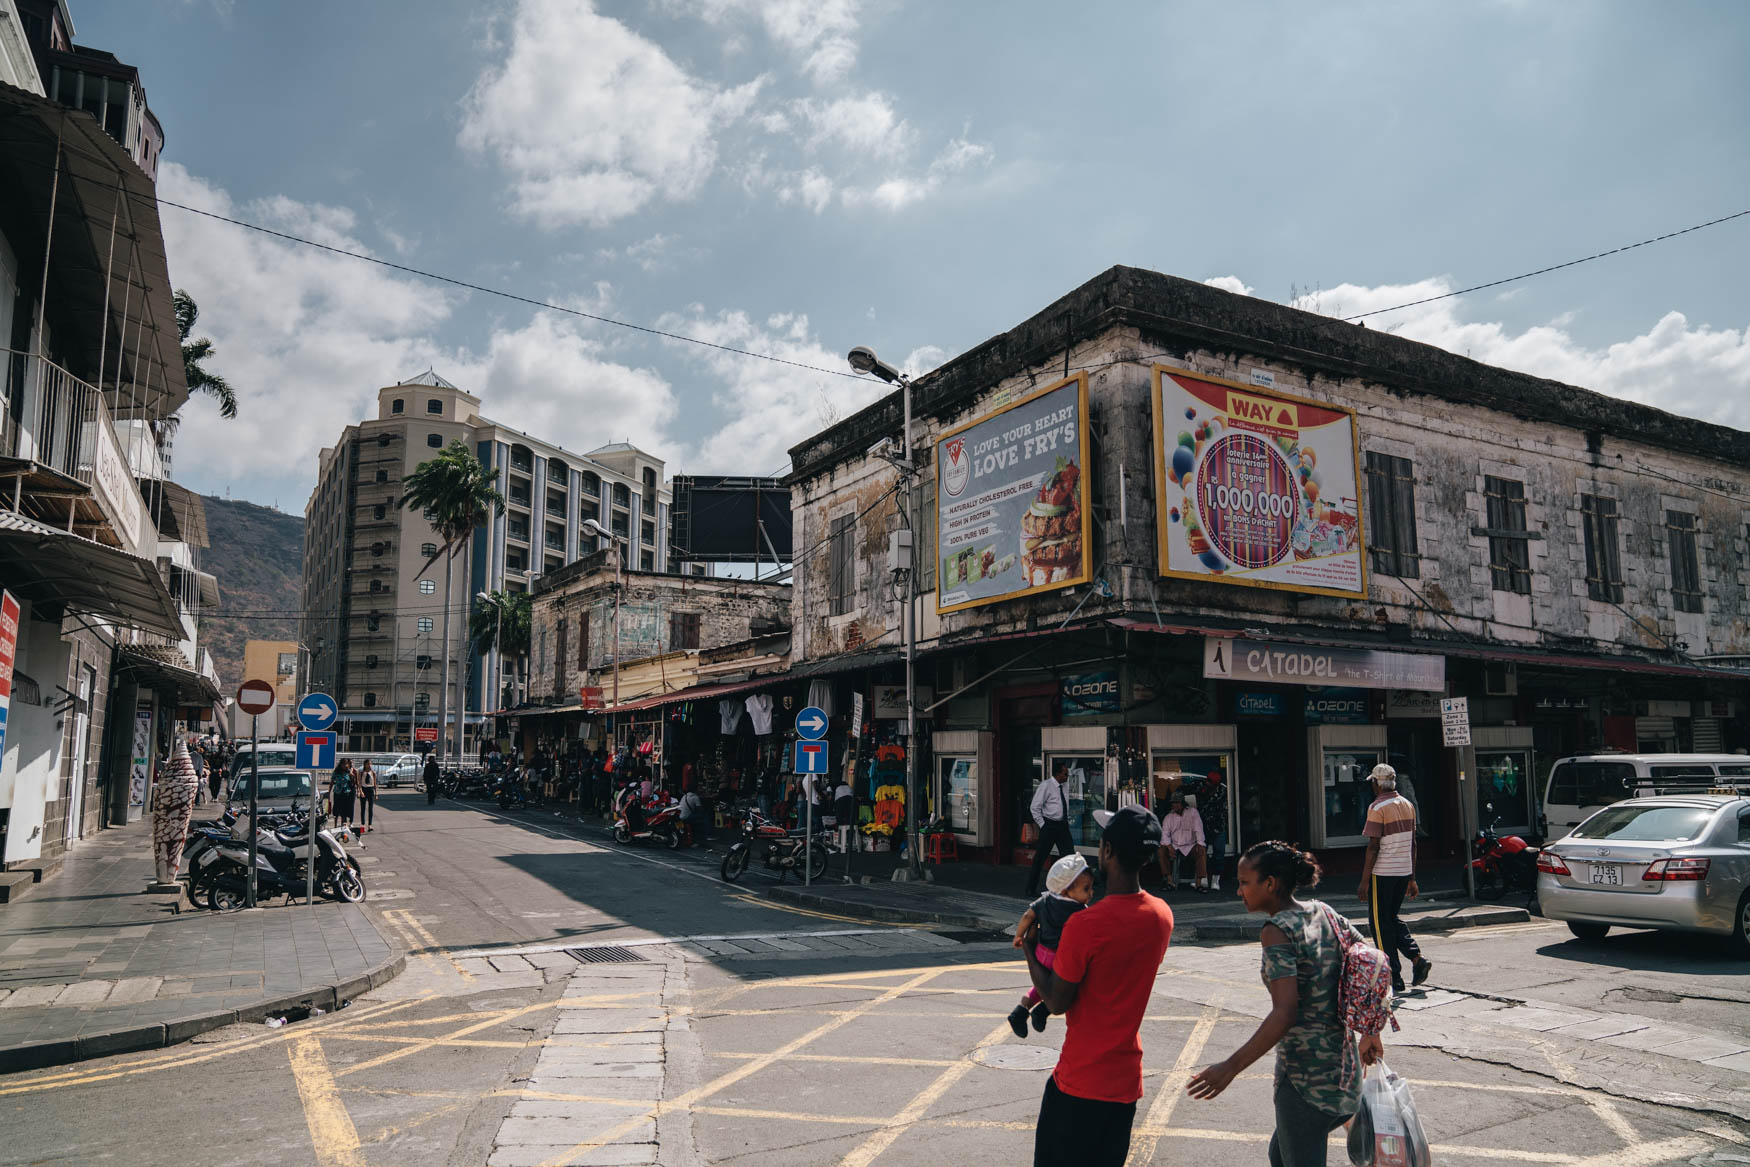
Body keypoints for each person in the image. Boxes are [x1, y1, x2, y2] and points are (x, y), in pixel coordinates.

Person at [1187, 841, 1384, 1166]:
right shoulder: (1325, 912)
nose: (1239, 892)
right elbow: (1372, 964)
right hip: (1346, 1081)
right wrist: (1371, 1030)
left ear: (1270, 884)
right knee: (1280, 1156)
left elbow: (1285, 1012)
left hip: (1305, 1088)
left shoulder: (1276, 931)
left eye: (1244, 883)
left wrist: (1229, 1068)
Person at [1023, 805, 1174, 1167]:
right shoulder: (1161, 917)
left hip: (1080, 1080)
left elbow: (1057, 1001)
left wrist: (1029, 948)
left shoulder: (1086, 925)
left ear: (1106, 852)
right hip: (1124, 1083)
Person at [1357, 763, 1432, 995]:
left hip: (1383, 872)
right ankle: (1416, 958)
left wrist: (1364, 881)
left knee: (1379, 925)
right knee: (1390, 919)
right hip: (1402, 871)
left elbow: (1373, 847)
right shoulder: (1408, 805)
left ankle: (1393, 976)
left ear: (1377, 784)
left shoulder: (1377, 807)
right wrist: (1412, 877)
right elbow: (1413, 843)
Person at [1009, 853, 1095, 1037]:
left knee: (1040, 988)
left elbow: (1027, 916)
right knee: (1068, 987)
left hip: (1041, 952)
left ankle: (1021, 1010)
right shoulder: (1079, 910)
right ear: (1065, 891)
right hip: (1059, 957)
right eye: (1086, 889)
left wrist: (1018, 935)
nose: (1091, 894)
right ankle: (1042, 1011)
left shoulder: (1045, 900)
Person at [1025, 762, 1076, 897]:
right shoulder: (1046, 786)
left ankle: (1071, 888)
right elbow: (1035, 807)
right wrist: (1043, 825)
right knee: (1040, 858)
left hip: (1062, 825)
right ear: (1058, 774)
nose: (1067, 777)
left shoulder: (1065, 786)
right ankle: (1030, 888)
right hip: (1049, 825)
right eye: (1065, 774)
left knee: (1069, 857)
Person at [1158, 793, 1209, 892]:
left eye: (1177, 803)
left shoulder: (1193, 813)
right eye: (1173, 803)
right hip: (1175, 845)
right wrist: (1169, 846)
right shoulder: (1169, 817)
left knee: (1201, 850)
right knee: (1161, 851)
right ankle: (1169, 881)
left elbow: (1198, 829)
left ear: (1182, 803)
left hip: (1190, 845)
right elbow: (1164, 834)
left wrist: (1200, 843)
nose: (1175, 805)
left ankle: (1199, 883)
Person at [1197, 771, 1229, 890]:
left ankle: (1216, 879)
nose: (1207, 783)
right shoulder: (1201, 787)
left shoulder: (1222, 791)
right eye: (1207, 780)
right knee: (1201, 852)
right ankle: (1203, 877)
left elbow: (1220, 809)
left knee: (1219, 852)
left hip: (1218, 825)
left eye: (1210, 782)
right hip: (1203, 825)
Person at [332, 758, 356, 828]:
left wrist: (351, 775)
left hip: (346, 793)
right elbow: (332, 781)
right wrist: (329, 791)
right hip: (337, 792)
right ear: (341, 764)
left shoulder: (348, 772)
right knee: (336, 809)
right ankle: (335, 825)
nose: (345, 765)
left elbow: (353, 783)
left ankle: (343, 824)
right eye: (344, 764)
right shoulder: (336, 772)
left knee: (344, 810)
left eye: (346, 764)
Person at [356, 759, 378, 833]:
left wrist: (376, 793)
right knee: (363, 808)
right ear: (365, 765)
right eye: (368, 764)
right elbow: (359, 783)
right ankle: (363, 824)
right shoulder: (361, 773)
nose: (369, 765)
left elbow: (375, 784)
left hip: (370, 790)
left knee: (370, 808)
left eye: (370, 764)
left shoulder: (373, 773)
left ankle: (370, 825)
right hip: (364, 789)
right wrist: (360, 791)